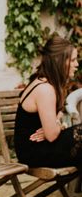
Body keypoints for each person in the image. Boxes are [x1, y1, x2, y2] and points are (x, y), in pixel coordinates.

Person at [14, 34, 81, 169]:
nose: (77, 64)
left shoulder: (49, 83)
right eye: (73, 60)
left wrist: (56, 124)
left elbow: (58, 119)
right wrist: (58, 126)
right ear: (59, 61)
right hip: (34, 151)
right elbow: (52, 135)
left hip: (44, 146)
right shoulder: (45, 89)